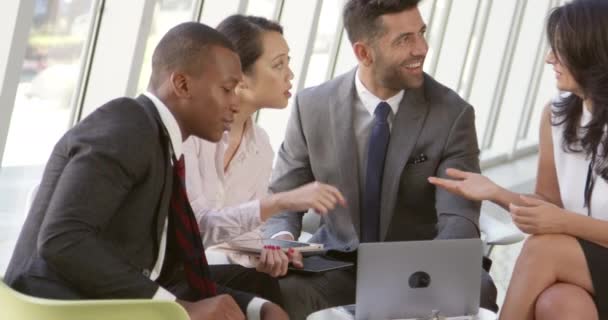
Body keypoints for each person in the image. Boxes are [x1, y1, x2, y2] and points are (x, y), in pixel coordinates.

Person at [4, 22, 287, 320]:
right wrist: (177, 308)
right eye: (227, 89)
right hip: (60, 308)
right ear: (182, 84)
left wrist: (257, 306)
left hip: (97, 303)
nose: (234, 103)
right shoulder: (126, 128)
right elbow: (62, 240)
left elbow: (163, 274)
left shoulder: (159, 143)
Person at [262, 0, 498, 318]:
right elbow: (283, 199)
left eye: (421, 33)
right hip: (338, 264)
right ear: (364, 53)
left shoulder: (452, 115)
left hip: (417, 267)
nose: (422, 48)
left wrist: (433, 271)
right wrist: (282, 240)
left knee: (478, 289)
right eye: (404, 39)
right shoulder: (312, 107)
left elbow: (458, 217)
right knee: (278, 289)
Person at [429, 1, 608, 319]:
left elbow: (556, 221)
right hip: (586, 263)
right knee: (559, 303)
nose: (549, 58)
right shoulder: (557, 114)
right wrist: (494, 192)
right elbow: (547, 204)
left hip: (576, 254)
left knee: (543, 248)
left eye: (560, 50)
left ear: (592, 53)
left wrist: (565, 223)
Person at [183, 15, 345, 278]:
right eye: (278, 65)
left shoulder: (260, 145)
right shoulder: (189, 136)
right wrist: (280, 202)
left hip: (216, 273)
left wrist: (269, 250)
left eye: (288, 63)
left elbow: (241, 236)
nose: (290, 75)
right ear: (239, 76)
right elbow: (194, 231)